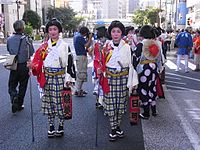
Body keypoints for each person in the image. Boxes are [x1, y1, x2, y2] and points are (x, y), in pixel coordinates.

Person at [28, 18, 75, 138]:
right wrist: (32, 66)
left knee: (60, 103)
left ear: (59, 31)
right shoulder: (44, 47)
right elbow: (38, 62)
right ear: (48, 32)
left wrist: (68, 78)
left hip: (60, 77)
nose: (53, 32)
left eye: (55, 29)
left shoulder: (65, 46)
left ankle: (60, 125)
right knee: (49, 103)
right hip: (47, 77)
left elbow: (69, 64)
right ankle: (50, 126)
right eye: (50, 29)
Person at [97, 20, 138, 141]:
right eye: (113, 31)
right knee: (110, 105)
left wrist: (133, 82)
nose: (115, 34)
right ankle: (113, 128)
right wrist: (99, 69)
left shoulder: (127, 47)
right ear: (110, 33)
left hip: (123, 79)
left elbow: (131, 65)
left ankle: (117, 126)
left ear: (122, 33)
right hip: (109, 79)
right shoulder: (105, 47)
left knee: (120, 105)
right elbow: (100, 63)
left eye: (118, 31)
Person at [7, 20, 34, 113]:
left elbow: (9, 50)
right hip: (24, 65)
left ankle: (14, 96)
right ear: (23, 28)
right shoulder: (27, 39)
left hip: (14, 65)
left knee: (12, 84)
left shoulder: (9, 39)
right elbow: (31, 52)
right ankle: (19, 103)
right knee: (23, 85)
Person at [135, 25, 162, 119]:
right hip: (154, 67)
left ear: (142, 34)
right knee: (152, 88)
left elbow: (136, 58)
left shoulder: (141, 44)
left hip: (144, 67)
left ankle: (146, 112)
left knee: (143, 89)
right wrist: (159, 69)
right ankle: (154, 110)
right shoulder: (156, 44)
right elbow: (159, 58)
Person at [73, 26, 93, 97]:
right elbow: (87, 45)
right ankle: (77, 90)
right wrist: (90, 38)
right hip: (81, 57)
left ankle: (79, 89)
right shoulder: (80, 37)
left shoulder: (76, 36)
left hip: (80, 57)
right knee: (81, 74)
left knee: (81, 73)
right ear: (85, 33)